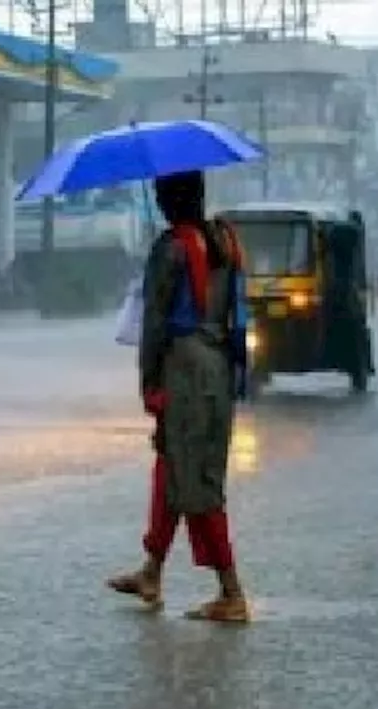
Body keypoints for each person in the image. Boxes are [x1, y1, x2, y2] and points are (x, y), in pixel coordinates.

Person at [106, 170, 251, 623]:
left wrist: (148, 380)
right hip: (218, 365)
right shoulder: (227, 240)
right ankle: (152, 570)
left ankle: (231, 591)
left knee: (196, 480)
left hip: (184, 368)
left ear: (170, 200)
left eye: (160, 194)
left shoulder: (170, 249)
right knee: (173, 468)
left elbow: (153, 323)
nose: (159, 201)